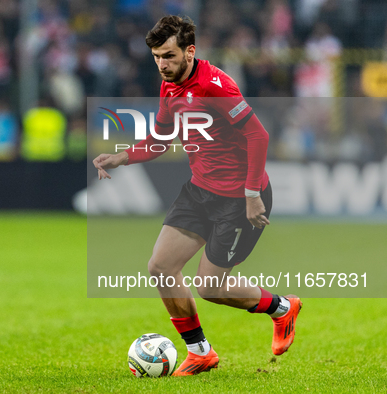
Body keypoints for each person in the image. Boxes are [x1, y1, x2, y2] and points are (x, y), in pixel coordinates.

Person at [92, 15, 302, 376]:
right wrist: (122, 156)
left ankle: (282, 308)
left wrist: (253, 194)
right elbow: (160, 138)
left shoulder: (215, 85)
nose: (162, 64)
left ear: (190, 51)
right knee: (160, 267)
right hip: (199, 191)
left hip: (240, 200)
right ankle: (200, 352)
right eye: (157, 56)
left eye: (169, 56)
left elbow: (258, 136)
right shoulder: (168, 85)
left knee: (210, 287)